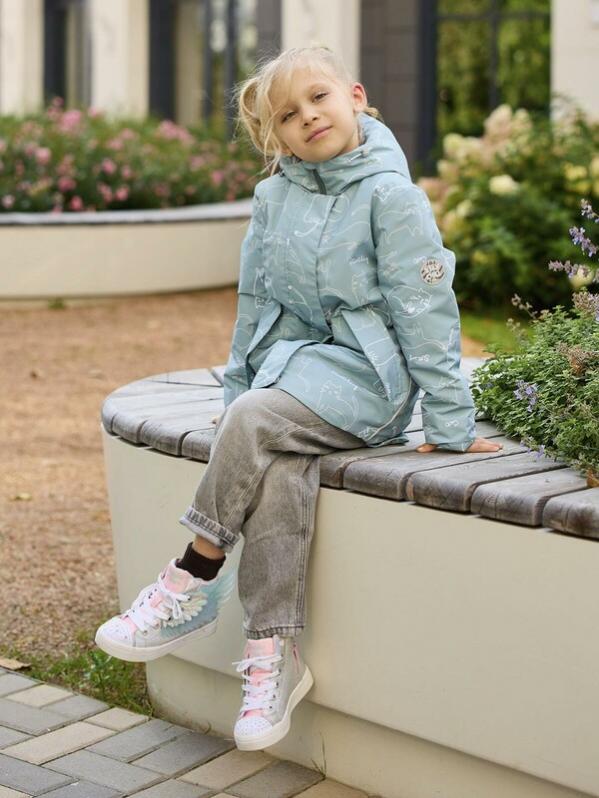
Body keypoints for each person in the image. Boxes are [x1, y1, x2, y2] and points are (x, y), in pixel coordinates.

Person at [95, 45, 502, 752]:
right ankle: (273, 655)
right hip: (296, 374)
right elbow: (255, 303)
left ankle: (194, 574)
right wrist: (236, 391)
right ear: (276, 136)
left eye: (318, 97)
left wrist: (449, 420)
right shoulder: (273, 198)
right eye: (287, 114)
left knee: (258, 419)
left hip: (370, 380)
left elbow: (428, 312)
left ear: (355, 96)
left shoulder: (391, 196)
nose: (308, 117)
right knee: (276, 460)